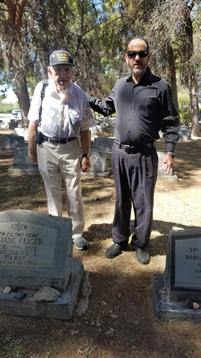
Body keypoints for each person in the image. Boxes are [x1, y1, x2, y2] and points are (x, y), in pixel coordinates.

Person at [89, 36, 179, 264]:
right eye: (132, 54)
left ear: (149, 56)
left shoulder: (160, 86)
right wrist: (84, 96)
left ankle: (140, 243)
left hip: (145, 154)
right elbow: (106, 107)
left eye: (142, 53)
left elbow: (170, 120)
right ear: (126, 57)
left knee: (143, 201)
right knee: (122, 199)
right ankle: (119, 240)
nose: (137, 58)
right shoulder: (120, 85)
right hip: (119, 152)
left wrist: (169, 150)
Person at [28, 49, 94, 250]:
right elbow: (33, 123)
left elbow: (85, 129)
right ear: (49, 71)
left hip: (71, 148)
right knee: (52, 191)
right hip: (45, 146)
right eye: (58, 71)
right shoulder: (41, 89)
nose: (62, 75)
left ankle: (76, 233)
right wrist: (31, 149)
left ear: (72, 72)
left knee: (74, 191)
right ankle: (57, 232)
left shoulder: (80, 94)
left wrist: (85, 154)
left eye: (66, 70)